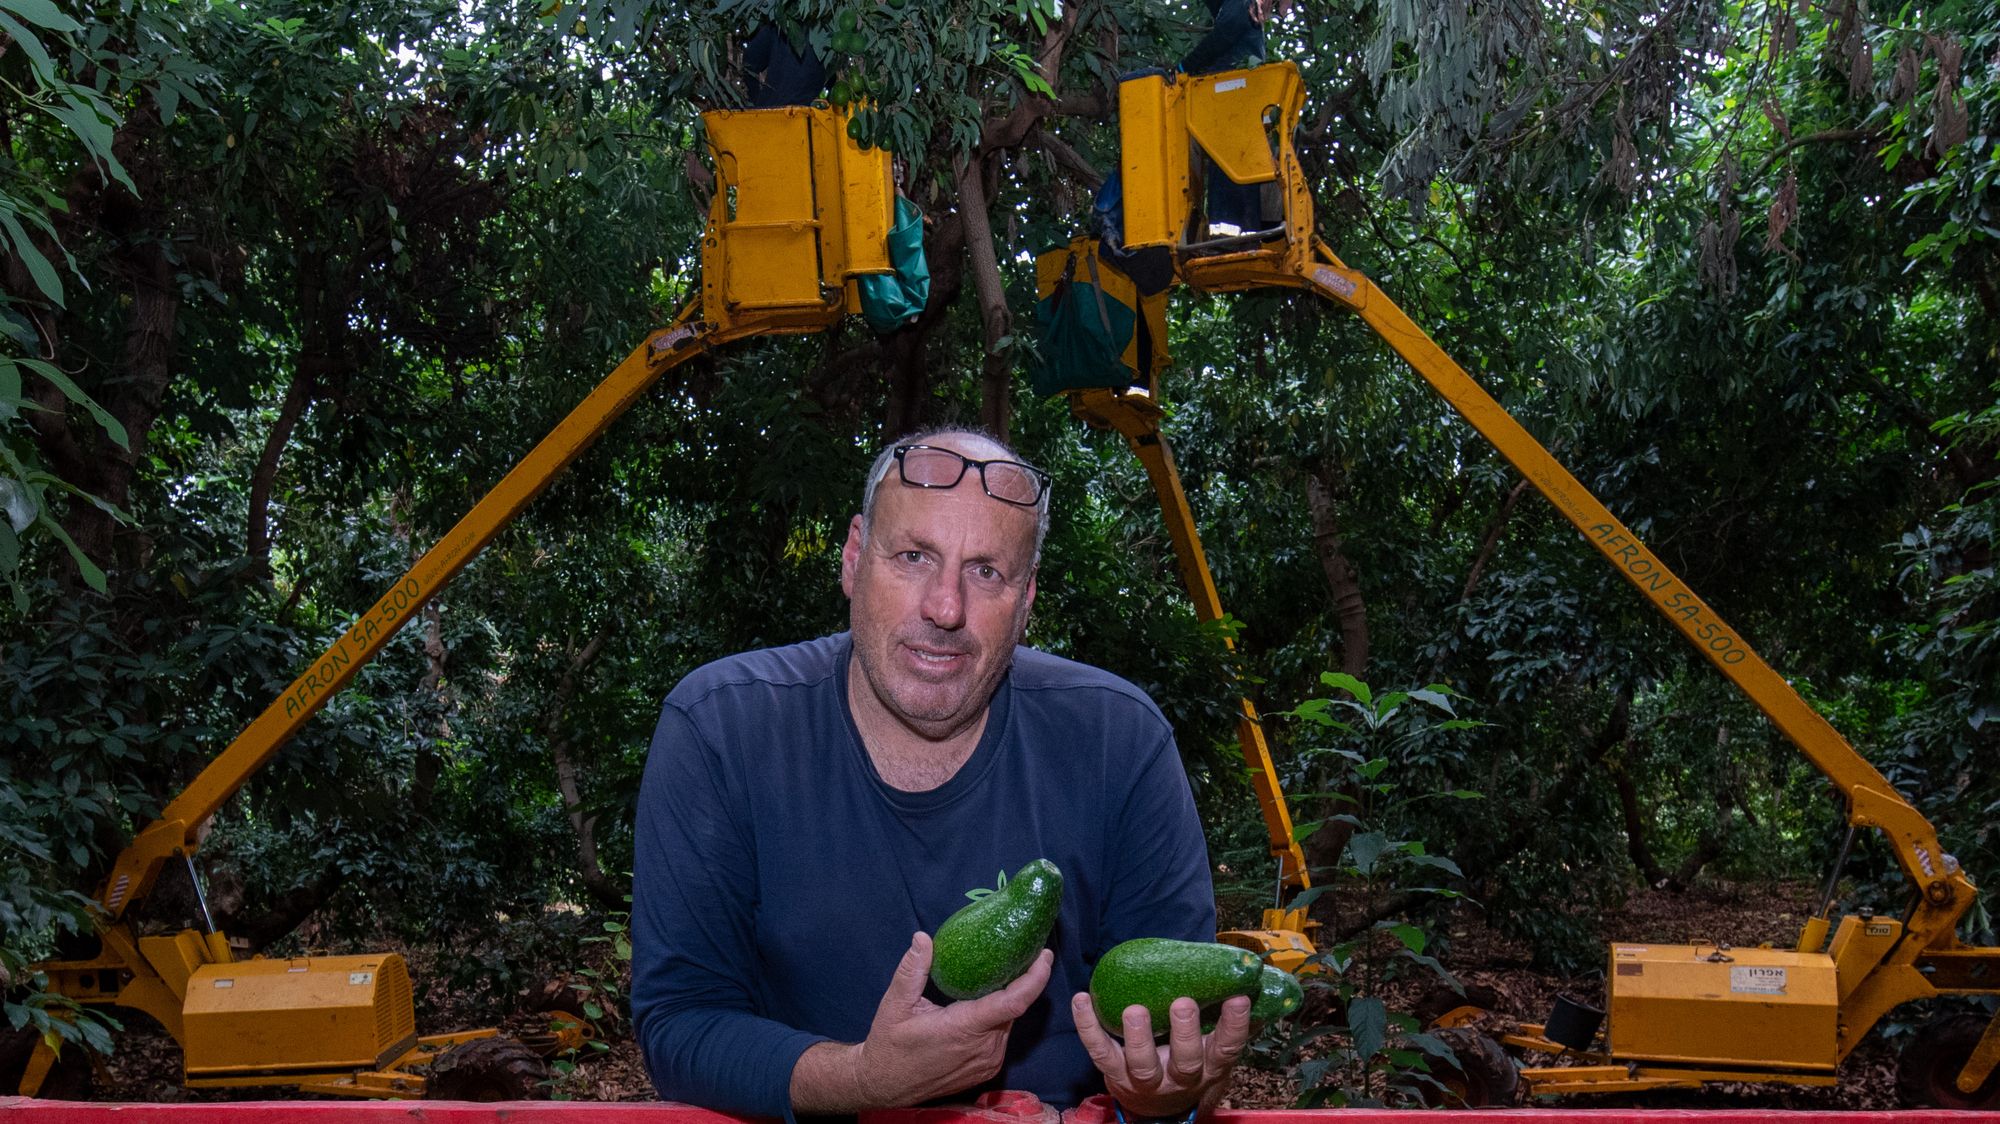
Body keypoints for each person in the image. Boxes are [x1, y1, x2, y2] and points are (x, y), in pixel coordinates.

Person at [631, 428, 1253, 1119]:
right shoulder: (722, 727)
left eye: (987, 572)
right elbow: (681, 1023)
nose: (946, 608)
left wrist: (1164, 1098)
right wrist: (863, 1079)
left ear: (1026, 602)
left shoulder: (1120, 740)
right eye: (913, 556)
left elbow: (1180, 1054)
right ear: (853, 558)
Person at [1180, 0, 1294, 237]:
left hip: (1231, 96)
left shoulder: (1239, 3)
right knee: (1237, 165)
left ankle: (1229, 236)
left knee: (1229, 166)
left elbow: (1223, 36)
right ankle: (1246, 232)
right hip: (1239, 100)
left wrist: (1183, 67)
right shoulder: (1245, 11)